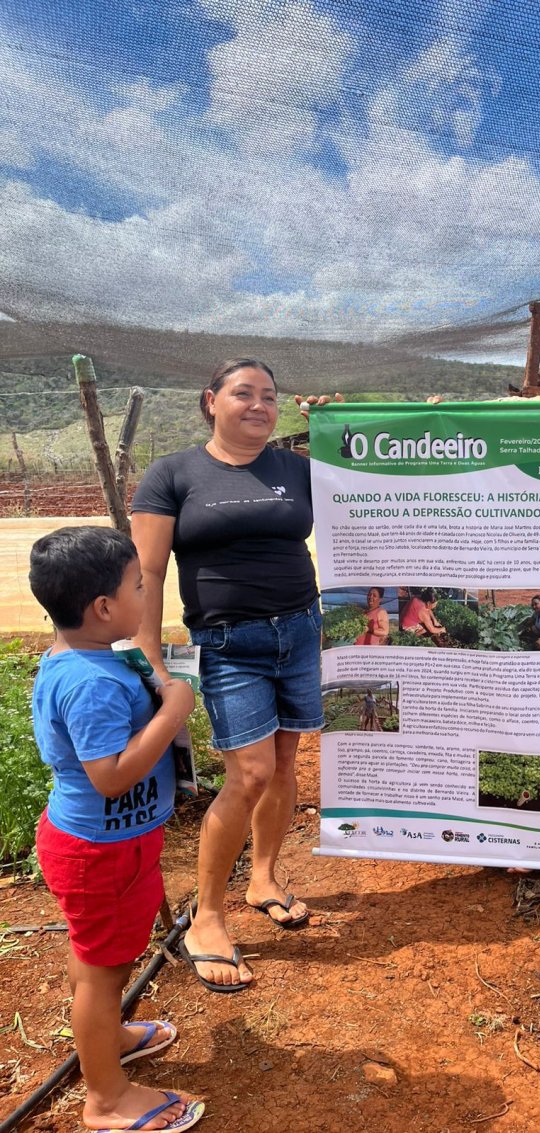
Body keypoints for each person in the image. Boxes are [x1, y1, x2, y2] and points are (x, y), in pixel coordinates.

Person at [131, 359, 322, 993]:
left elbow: (381, 480)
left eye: (270, 396)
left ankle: (263, 875)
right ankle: (205, 919)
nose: (260, 405)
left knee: (286, 761)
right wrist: (150, 653)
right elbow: (149, 573)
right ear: (211, 400)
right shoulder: (174, 474)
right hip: (226, 643)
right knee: (250, 773)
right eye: (244, 394)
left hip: (299, 632)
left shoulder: (295, 468)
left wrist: (378, 424)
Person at [29, 527, 203, 1133]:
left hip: (105, 846)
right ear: (103, 607)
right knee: (102, 977)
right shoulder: (93, 682)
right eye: (138, 586)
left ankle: (111, 1037)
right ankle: (105, 1098)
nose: (145, 594)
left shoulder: (84, 660)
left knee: (102, 962)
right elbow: (110, 776)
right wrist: (176, 711)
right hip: (99, 853)